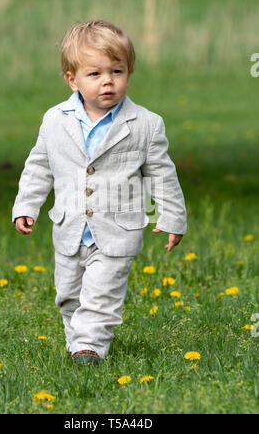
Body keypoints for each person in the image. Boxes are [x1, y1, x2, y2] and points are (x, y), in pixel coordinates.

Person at [12, 20, 187, 365]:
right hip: (70, 229)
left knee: (101, 295)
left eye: (117, 71)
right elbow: (39, 167)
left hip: (116, 232)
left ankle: (89, 347)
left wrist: (172, 217)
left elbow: (161, 174)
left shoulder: (146, 124)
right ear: (71, 79)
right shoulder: (54, 120)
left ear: (129, 72)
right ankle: (76, 339)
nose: (107, 81)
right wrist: (25, 205)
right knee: (69, 296)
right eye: (94, 74)